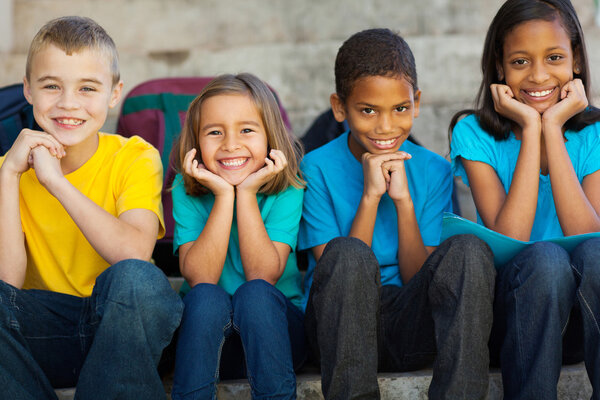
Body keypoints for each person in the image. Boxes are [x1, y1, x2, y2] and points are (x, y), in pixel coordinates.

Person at [298, 28, 496, 400]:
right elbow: (338, 276)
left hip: (410, 320)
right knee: (347, 252)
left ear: (416, 103)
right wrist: (371, 197)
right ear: (340, 107)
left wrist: (404, 204)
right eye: (368, 110)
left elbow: (419, 275)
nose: (386, 127)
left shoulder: (434, 169)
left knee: (469, 249)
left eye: (400, 109)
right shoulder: (316, 167)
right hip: (339, 330)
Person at [0, 16, 183, 400]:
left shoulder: (134, 156)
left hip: (126, 324)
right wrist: (10, 176)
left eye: (87, 88)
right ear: (28, 90)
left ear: (114, 94)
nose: (68, 103)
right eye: (52, 86)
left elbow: (132, 253)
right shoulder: (6, 169)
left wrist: (56, 182)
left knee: (140, 279)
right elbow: (7, 288)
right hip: (45, 334)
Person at [449, 0, 600, 398]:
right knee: (545, 259)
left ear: (577, 62)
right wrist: (531, 129)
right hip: (516, 317)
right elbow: (512, 236)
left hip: (584, 322)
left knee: (599, 254)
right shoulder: (474, 133)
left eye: (554, 58)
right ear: (499, 67)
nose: (538, 75)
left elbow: (588, 237)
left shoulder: (595, 133)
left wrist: (553, 127)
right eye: (519, 62)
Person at [170, 73, 306, 400]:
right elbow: (201, 277)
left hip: (277, 338)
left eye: (246, 130)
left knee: (255, 294)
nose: (230, 144)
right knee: (204, 297)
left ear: (269, 137)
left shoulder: (287, 189)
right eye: (215, 132)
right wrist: (223, 196)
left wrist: (246, 194)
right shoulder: (185, 189)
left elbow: (262, 275)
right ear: (197, 144)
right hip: (209, 345)